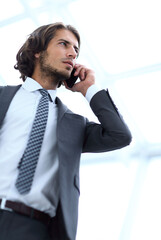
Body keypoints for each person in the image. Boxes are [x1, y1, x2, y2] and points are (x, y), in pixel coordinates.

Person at [0, 22, 132, 240]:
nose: (72, 53)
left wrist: (89, 89)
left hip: (34, 229)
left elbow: (120, 135)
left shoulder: (74, 124)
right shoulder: (3, 97)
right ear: (37, 51)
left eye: (76, 50)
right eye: (64, 44)